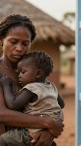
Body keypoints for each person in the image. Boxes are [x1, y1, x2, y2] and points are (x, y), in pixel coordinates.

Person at [0, 14, 64, 146]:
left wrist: (49, 133)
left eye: (25, 43)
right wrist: (48, 123)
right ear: (2, 40)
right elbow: (2, 113)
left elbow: (52, 103)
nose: (19, 48)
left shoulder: (33, 72)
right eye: (13, 41)